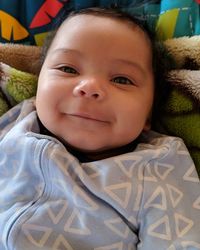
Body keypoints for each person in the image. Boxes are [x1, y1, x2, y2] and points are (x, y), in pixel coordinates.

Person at [0, 7, 199, 250]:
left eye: (121, 79)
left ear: (148, 114)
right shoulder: (17, 122)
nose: (89, 86)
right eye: (68, 69)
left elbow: (180, 241)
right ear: (38, 82)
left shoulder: (160, 165)